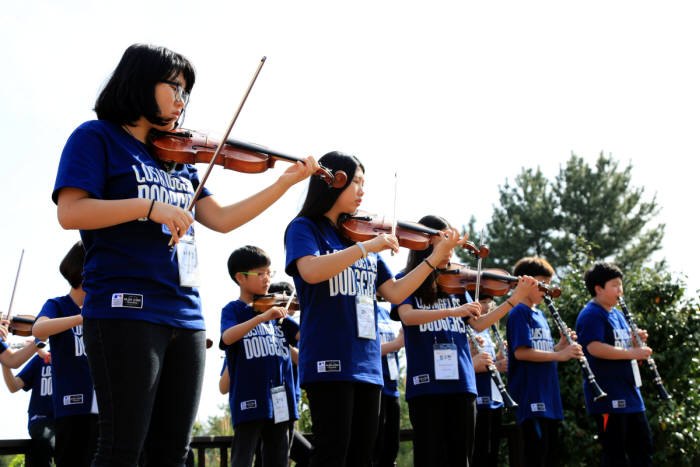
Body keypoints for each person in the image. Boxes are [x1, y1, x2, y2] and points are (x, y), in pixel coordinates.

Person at [51, 43, 319, 466]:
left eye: (186, 91)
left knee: (174, 451)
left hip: (186, 314)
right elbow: (71, 212)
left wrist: (284, 183)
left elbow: (223, 218)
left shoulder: (181, 157)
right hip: (125, 309)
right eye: (173, 86)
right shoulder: (96, 137)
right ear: (140, 82)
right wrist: (148, 207)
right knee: (122, 447)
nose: (181, 99)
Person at [284, 152, 464, 467]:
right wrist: (366, 248)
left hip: (368, 365)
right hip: (328, 359)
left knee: (361, 458)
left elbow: (395, 291)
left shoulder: (362, 234)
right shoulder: (305, 228)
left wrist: (434, 259)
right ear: (333, 181)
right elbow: (311, 270)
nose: (362, 190)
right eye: (355, 181)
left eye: (364, 183)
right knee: (330, 454)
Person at [392, 215, 536, 467]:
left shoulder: (456, 283)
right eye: (446, 243)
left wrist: (514, 299)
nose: (451, 251)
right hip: (426, 385)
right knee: (430, 457)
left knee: (462, 459)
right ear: (426, 243)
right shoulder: (407, 280)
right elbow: (407, 316)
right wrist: (451, 312)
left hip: (462, 383)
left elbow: (478, 323)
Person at [221, 246, 298, 467]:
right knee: (243, 458)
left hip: (280, 398)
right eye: (260, 273)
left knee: (278, 458)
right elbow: (227, 337)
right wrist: (261, 318)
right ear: (240, 278)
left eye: (269, 273)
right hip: (249, 397)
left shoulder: (275, 309)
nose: (267, 279)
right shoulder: (234, 310)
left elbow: (303, 335)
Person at [505, 257, 582, 467]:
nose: (546, 289)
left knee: (550, 456)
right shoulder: (518, 312)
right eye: (542, 283)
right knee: (536, 456)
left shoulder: (539, 314)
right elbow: (522, 353)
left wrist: (561, 345)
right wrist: (559, 355)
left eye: (548, 283)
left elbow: (542, 351)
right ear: (524, 282)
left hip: (548, 396)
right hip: (531, 396)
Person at [575, 262, 653, 466]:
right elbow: (594, 348)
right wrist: (633, 351)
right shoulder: (592, 313)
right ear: (598, 288)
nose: (621, 290)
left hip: (630, 393)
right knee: (615, 455)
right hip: (609, 397)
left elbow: (622, 347)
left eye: (621, 285)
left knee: (643, 451)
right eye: (615, 285)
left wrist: (636, 342)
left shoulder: (617, 314)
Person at [32, 241, 97, 467]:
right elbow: (38, 330)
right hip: (71, 410)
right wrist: (81, 318)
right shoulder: (58, 305)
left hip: (104, 410)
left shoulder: (105, 307)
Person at [2, 344, 55, 467]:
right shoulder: (39, 359)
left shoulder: (78, 358)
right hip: (42, 420)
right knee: (46, 441)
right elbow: (14, 386)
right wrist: (5, 360)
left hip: (68, 419)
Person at [471, 295, 507, 467]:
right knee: (480, 451)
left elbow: (489, 360)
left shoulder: (487, 327)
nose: (487, 307)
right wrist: (498, 364)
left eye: (488, 302)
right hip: (480, 395)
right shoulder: (470, 326)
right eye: (483, 302)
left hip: (495, 395)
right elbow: (472, 363)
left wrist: (499, 357)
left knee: (493, 452)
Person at [372, 299, 404, 467]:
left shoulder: (386, 312)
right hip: (375, 385)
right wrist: (396, 344)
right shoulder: (363, 309)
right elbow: (366, 349)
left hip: (392, 386)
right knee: (374, 448)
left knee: (391, 448)